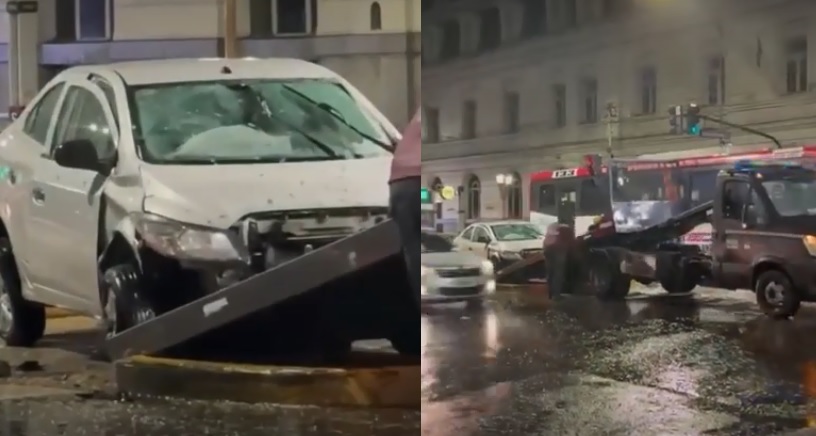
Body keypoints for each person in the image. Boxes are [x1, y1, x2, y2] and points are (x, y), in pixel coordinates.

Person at [390, 110, 421, 304]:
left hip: (399, 183)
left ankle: (416, 301)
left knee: (412, 248)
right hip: (418, 178)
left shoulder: (417, 117)